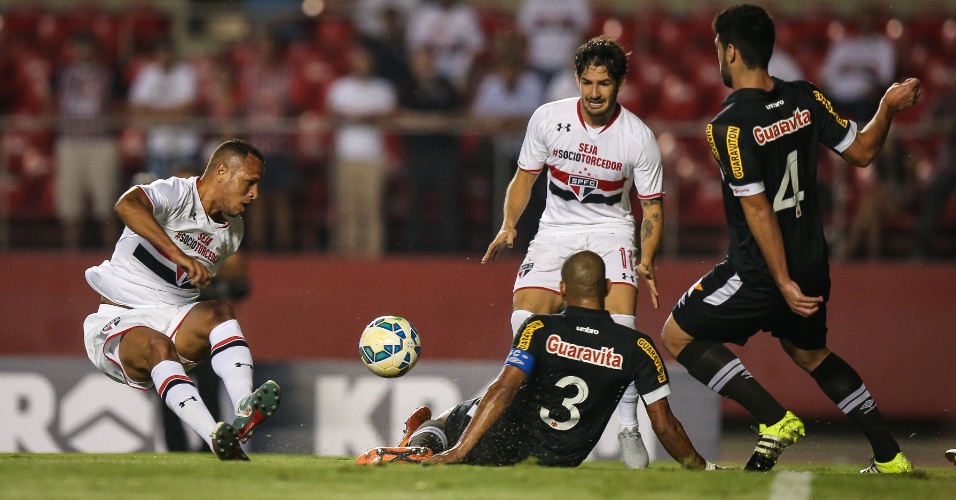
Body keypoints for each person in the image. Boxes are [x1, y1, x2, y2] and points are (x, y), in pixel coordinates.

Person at [659, 5, 921, 474]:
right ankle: (891, 455)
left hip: (761, 269)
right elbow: (862, 152)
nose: (718, 55)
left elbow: (758, 209)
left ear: (732, 51)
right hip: (811, 260)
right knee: (809, 351)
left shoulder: (728, 127)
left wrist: (779, 281)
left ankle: (773, 420)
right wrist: (886, 108)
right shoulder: (805, 98)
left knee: (677, 334)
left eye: (719, 47)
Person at [482, 37, 665, 469]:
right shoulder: (548, 118)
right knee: (525, 319)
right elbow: (524, 179)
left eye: (604, 83)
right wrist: (509, 224)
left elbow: (652, 207)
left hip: (611, 231)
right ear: (576, 79)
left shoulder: (638, 136)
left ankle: (627, 425)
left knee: (623, 326)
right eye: (587, 82)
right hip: (556, 230)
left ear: (619, 82)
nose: (594, 92)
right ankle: (525, 409)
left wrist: (647, 257)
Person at [357, 251, 716, 469]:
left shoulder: (540, 328)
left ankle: (419, 445)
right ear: (607, 288)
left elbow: (503, 389)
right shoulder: (638, 345)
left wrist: (458, 452)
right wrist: (701, 468)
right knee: (476, 408)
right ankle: (425, 438)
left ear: (561, 290)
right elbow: (665, 425)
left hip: (507, 443)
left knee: (454, 415)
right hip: (564, 457)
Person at [82, 139, 280, 461]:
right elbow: (126, 205)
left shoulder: (233, 231)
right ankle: (214, 437)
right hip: (121, 318)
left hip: (174, 315)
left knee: (220, 312)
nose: (254, 194)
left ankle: (245, 407)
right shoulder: (175, 192)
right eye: (250, 183)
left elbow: (189, 283)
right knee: (158, 346)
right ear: (221, 172)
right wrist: (179, 256)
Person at [52, 31, 122, 250]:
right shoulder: (61, 73)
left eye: (86, 45)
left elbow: (120, 103)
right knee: (70, 205)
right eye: (78, 46)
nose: (82, 51)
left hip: (100, 141)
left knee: (106, 203)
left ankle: (113, 255)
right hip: (71, 141)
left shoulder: (108, 74)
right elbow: (50, 101)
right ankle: (70, 253)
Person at [326, 44, 397, 257]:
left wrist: (362, 117)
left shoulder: (382, 88)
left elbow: (389, 114)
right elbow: (331, 115)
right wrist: (362, 117)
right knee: (347, 206)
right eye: (358, 60)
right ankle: (348, 251)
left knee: (371, 206)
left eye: (365, 60)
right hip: (346, 154)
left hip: (373, 155)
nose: (362, 65)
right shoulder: (341, 87)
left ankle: (371, 252)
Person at [128, 38, 200, 180]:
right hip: (158, 145)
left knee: (185, 196)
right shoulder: (148, 73)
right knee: (159, 196)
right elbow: (135, 108)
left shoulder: (186, 72)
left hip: (185, 145)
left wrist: (153, 113)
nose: (164, 57)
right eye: (161, 53)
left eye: (167, 53)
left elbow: (184, 112)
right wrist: (170, 114)